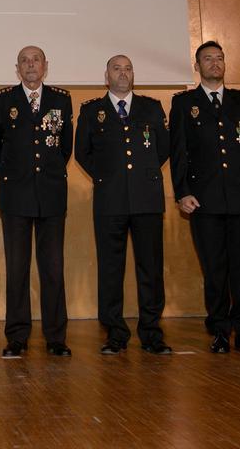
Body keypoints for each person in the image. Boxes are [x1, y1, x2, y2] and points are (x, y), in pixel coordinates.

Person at [169, 41, 240, 354]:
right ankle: (219, 329)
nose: (214, 63)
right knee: (214, 269)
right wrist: (182, 191)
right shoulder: (184, 103)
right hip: (204, 200)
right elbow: (178, 153)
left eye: (219, 58)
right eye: (207, 59)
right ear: (197, 66)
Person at [75, 54, 172, 355]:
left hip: (147, 199)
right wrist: (106, 177)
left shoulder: (152, 108)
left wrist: (144, 176)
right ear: (106, 76)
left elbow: (164, 148)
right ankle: (115, 333)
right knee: (110, 269)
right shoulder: (92, 111)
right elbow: (82, 152)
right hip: (110, 200)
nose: (122, 73)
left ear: (133, 75)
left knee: (151, 269)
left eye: (127, 69)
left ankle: (152, 333)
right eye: (116, 69)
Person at [0, 45, 74, 358]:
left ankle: (56, 338)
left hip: (51, 196)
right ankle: (17, 336)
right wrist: (12, 176)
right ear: (17, 67)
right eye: (24, 60)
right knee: (17, 269)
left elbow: (65, 148)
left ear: (45, 66)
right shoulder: (2, 100)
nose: (31, 65)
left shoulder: (61, 99)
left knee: (53, 268)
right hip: (15, 196)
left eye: (36, 60)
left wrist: (45, 176)